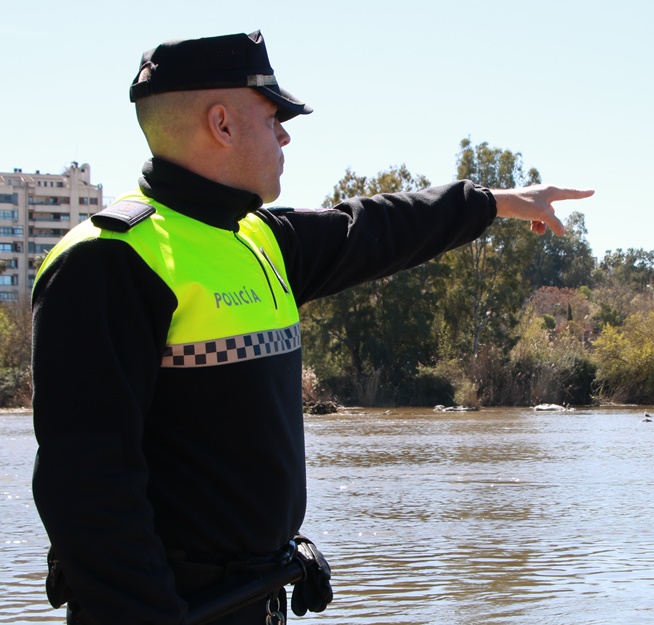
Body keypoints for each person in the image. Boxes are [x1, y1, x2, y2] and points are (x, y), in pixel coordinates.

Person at [31, 30, 592, 624]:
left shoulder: (256, 237)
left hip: (256, 594)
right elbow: (88, 488)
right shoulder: (109, 260)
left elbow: (381, 227)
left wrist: (499, 201)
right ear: (221, 124)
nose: (285, 134)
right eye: (273, 116)